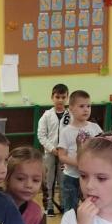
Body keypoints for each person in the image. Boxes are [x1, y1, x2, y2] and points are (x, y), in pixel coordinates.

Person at [57, 89, 102, 213]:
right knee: (70, 211)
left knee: (93, 208)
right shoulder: (66, 131)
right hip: (71, 178)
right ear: (71, 108)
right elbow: (62, 156)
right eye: (81, 106)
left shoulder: (95, 128)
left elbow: (103, 150)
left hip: (91, 177)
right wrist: (79, 164)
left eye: (88, 106)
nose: (86, 109)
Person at [37, 83, 70, 216]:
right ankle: (49, 206)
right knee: (48, 181)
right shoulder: (47, 115)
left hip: (65, 154)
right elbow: (41, 135)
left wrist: (65, 149)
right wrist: (51, 149)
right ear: (52, 97)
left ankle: (63, 204)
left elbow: (72, 134)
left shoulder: (70, 115)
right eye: (57, 97)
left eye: (63, 97)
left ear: (67, 98)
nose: (60, 100)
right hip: (50, 154)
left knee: (63, 180)